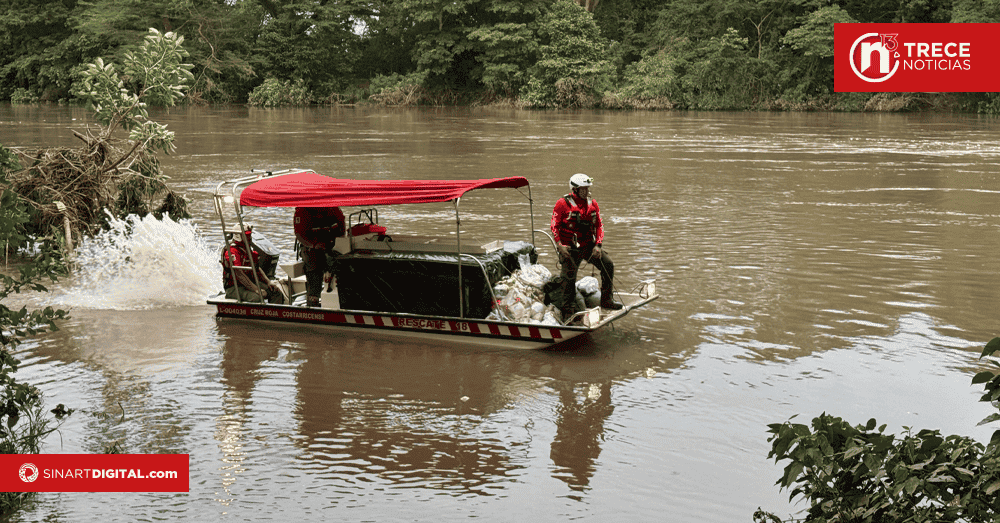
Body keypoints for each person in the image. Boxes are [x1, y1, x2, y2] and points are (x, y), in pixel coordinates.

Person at [550, 173, 623, 315]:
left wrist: (598, 245)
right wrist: (559, 245)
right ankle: (568, 309)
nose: (586, 191)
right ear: (575, 189)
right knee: (568, 278)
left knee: (608, 264)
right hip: (570, 249)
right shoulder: (562, 204)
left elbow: (599, 226)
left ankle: (607, 300)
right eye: (583, 189)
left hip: (589, 246)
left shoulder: (593, 204)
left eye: (587, 188)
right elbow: (554, 225)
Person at [294, 206, 346, 307]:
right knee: (314, 272)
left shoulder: (333, 207)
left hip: (332, 246)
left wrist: (340, 240)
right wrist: (314, 245)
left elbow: (341, 223)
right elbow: (299, 234)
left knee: (343, 266)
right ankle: (313, 302)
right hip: (311, 248)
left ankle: (342, 300)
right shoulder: (303, 210)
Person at [222, 227, 284, 304]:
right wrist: (256, 289)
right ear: (238, 236)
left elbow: (256, 268)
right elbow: (239, 274)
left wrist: (268, 282)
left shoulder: (246, 249)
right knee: (257, 297)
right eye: (247, 236)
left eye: (250, 235)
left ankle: (274, 311)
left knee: (275, 292)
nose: (250, 238)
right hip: (234, 287)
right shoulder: (232, 251)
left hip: (248, 284)